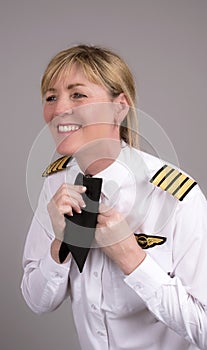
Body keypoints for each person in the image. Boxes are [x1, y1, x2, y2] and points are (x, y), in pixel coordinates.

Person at [21, 44, 207, 350]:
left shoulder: (174, 196)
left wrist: (131, 257)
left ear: (120, 106)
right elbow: (36, 301)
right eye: (51, 97)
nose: (58, 109)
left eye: (77, 94)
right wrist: (59, 244)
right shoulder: (55, 184)